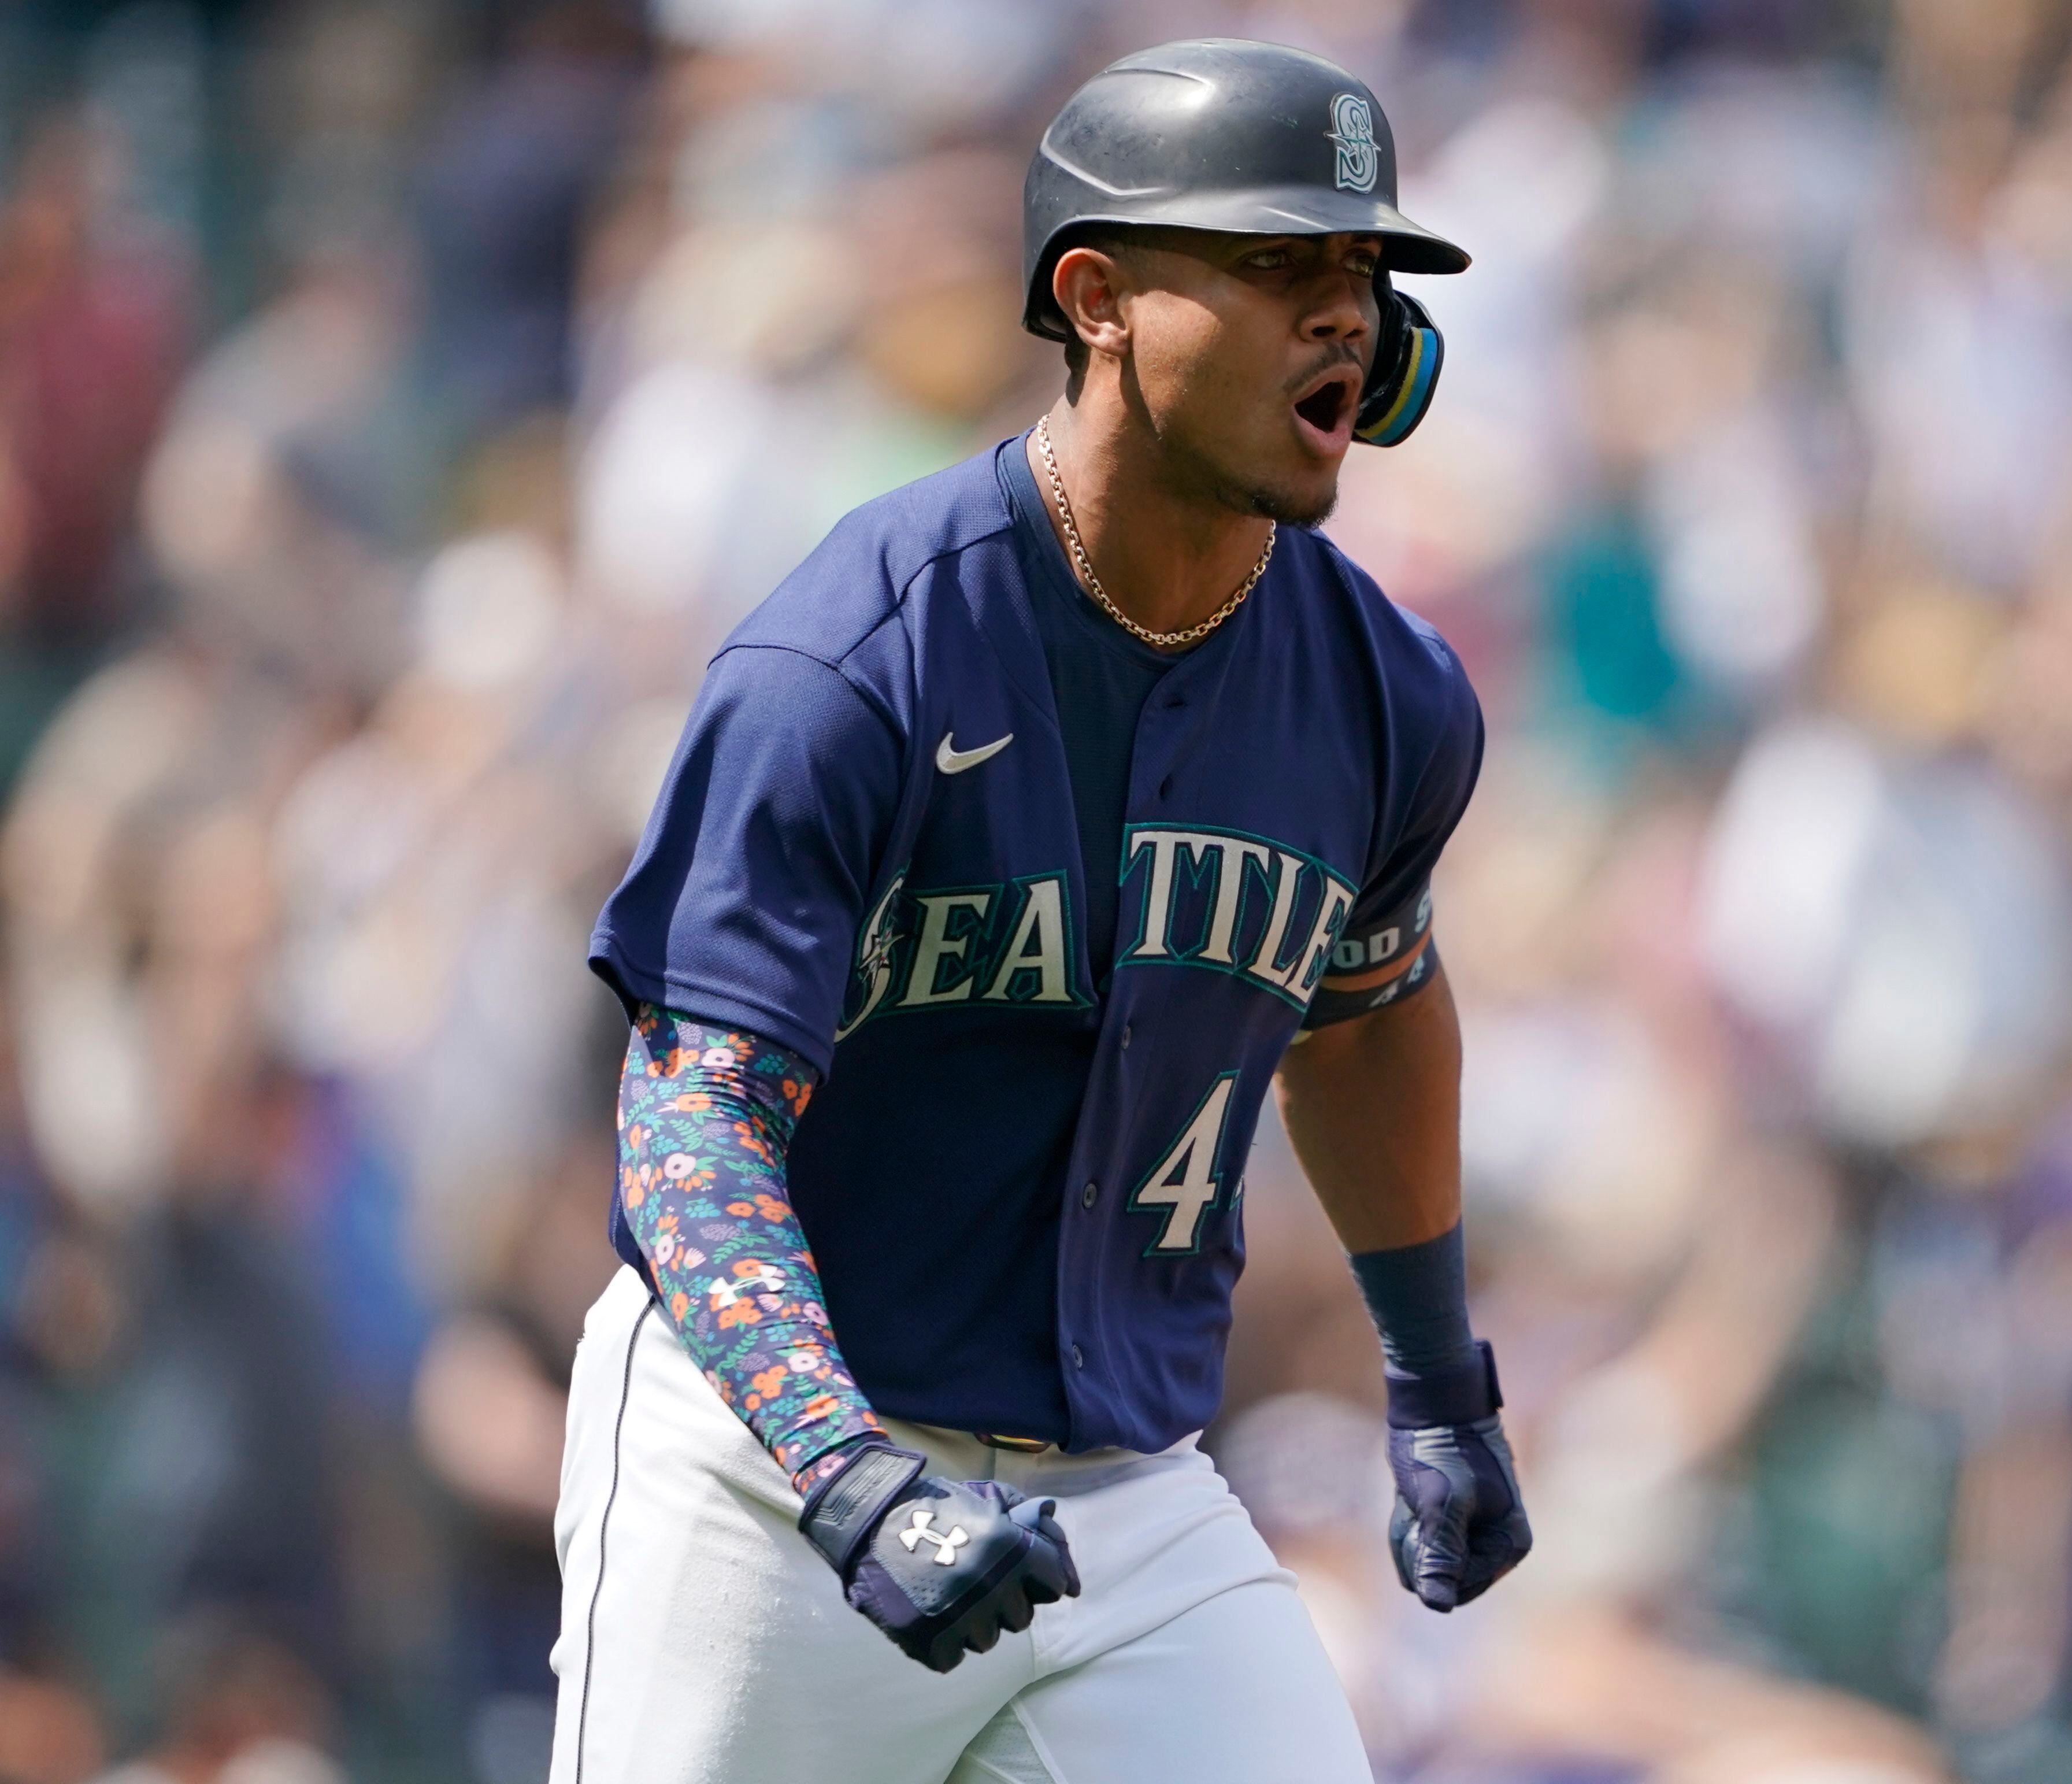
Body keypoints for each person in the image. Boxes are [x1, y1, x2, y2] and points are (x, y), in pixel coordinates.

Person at [546, 39, 1529, 1784]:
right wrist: (840, 1468)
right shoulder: (849, 660)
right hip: (767, 1486)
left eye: (1367, 277)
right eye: (1277, 266)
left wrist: (1439, 1382)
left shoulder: (1387, 695)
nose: (1348, 321)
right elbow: (693, 1124)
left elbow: (1366, 1018)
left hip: (1132, 1498)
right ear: (1096, 299)